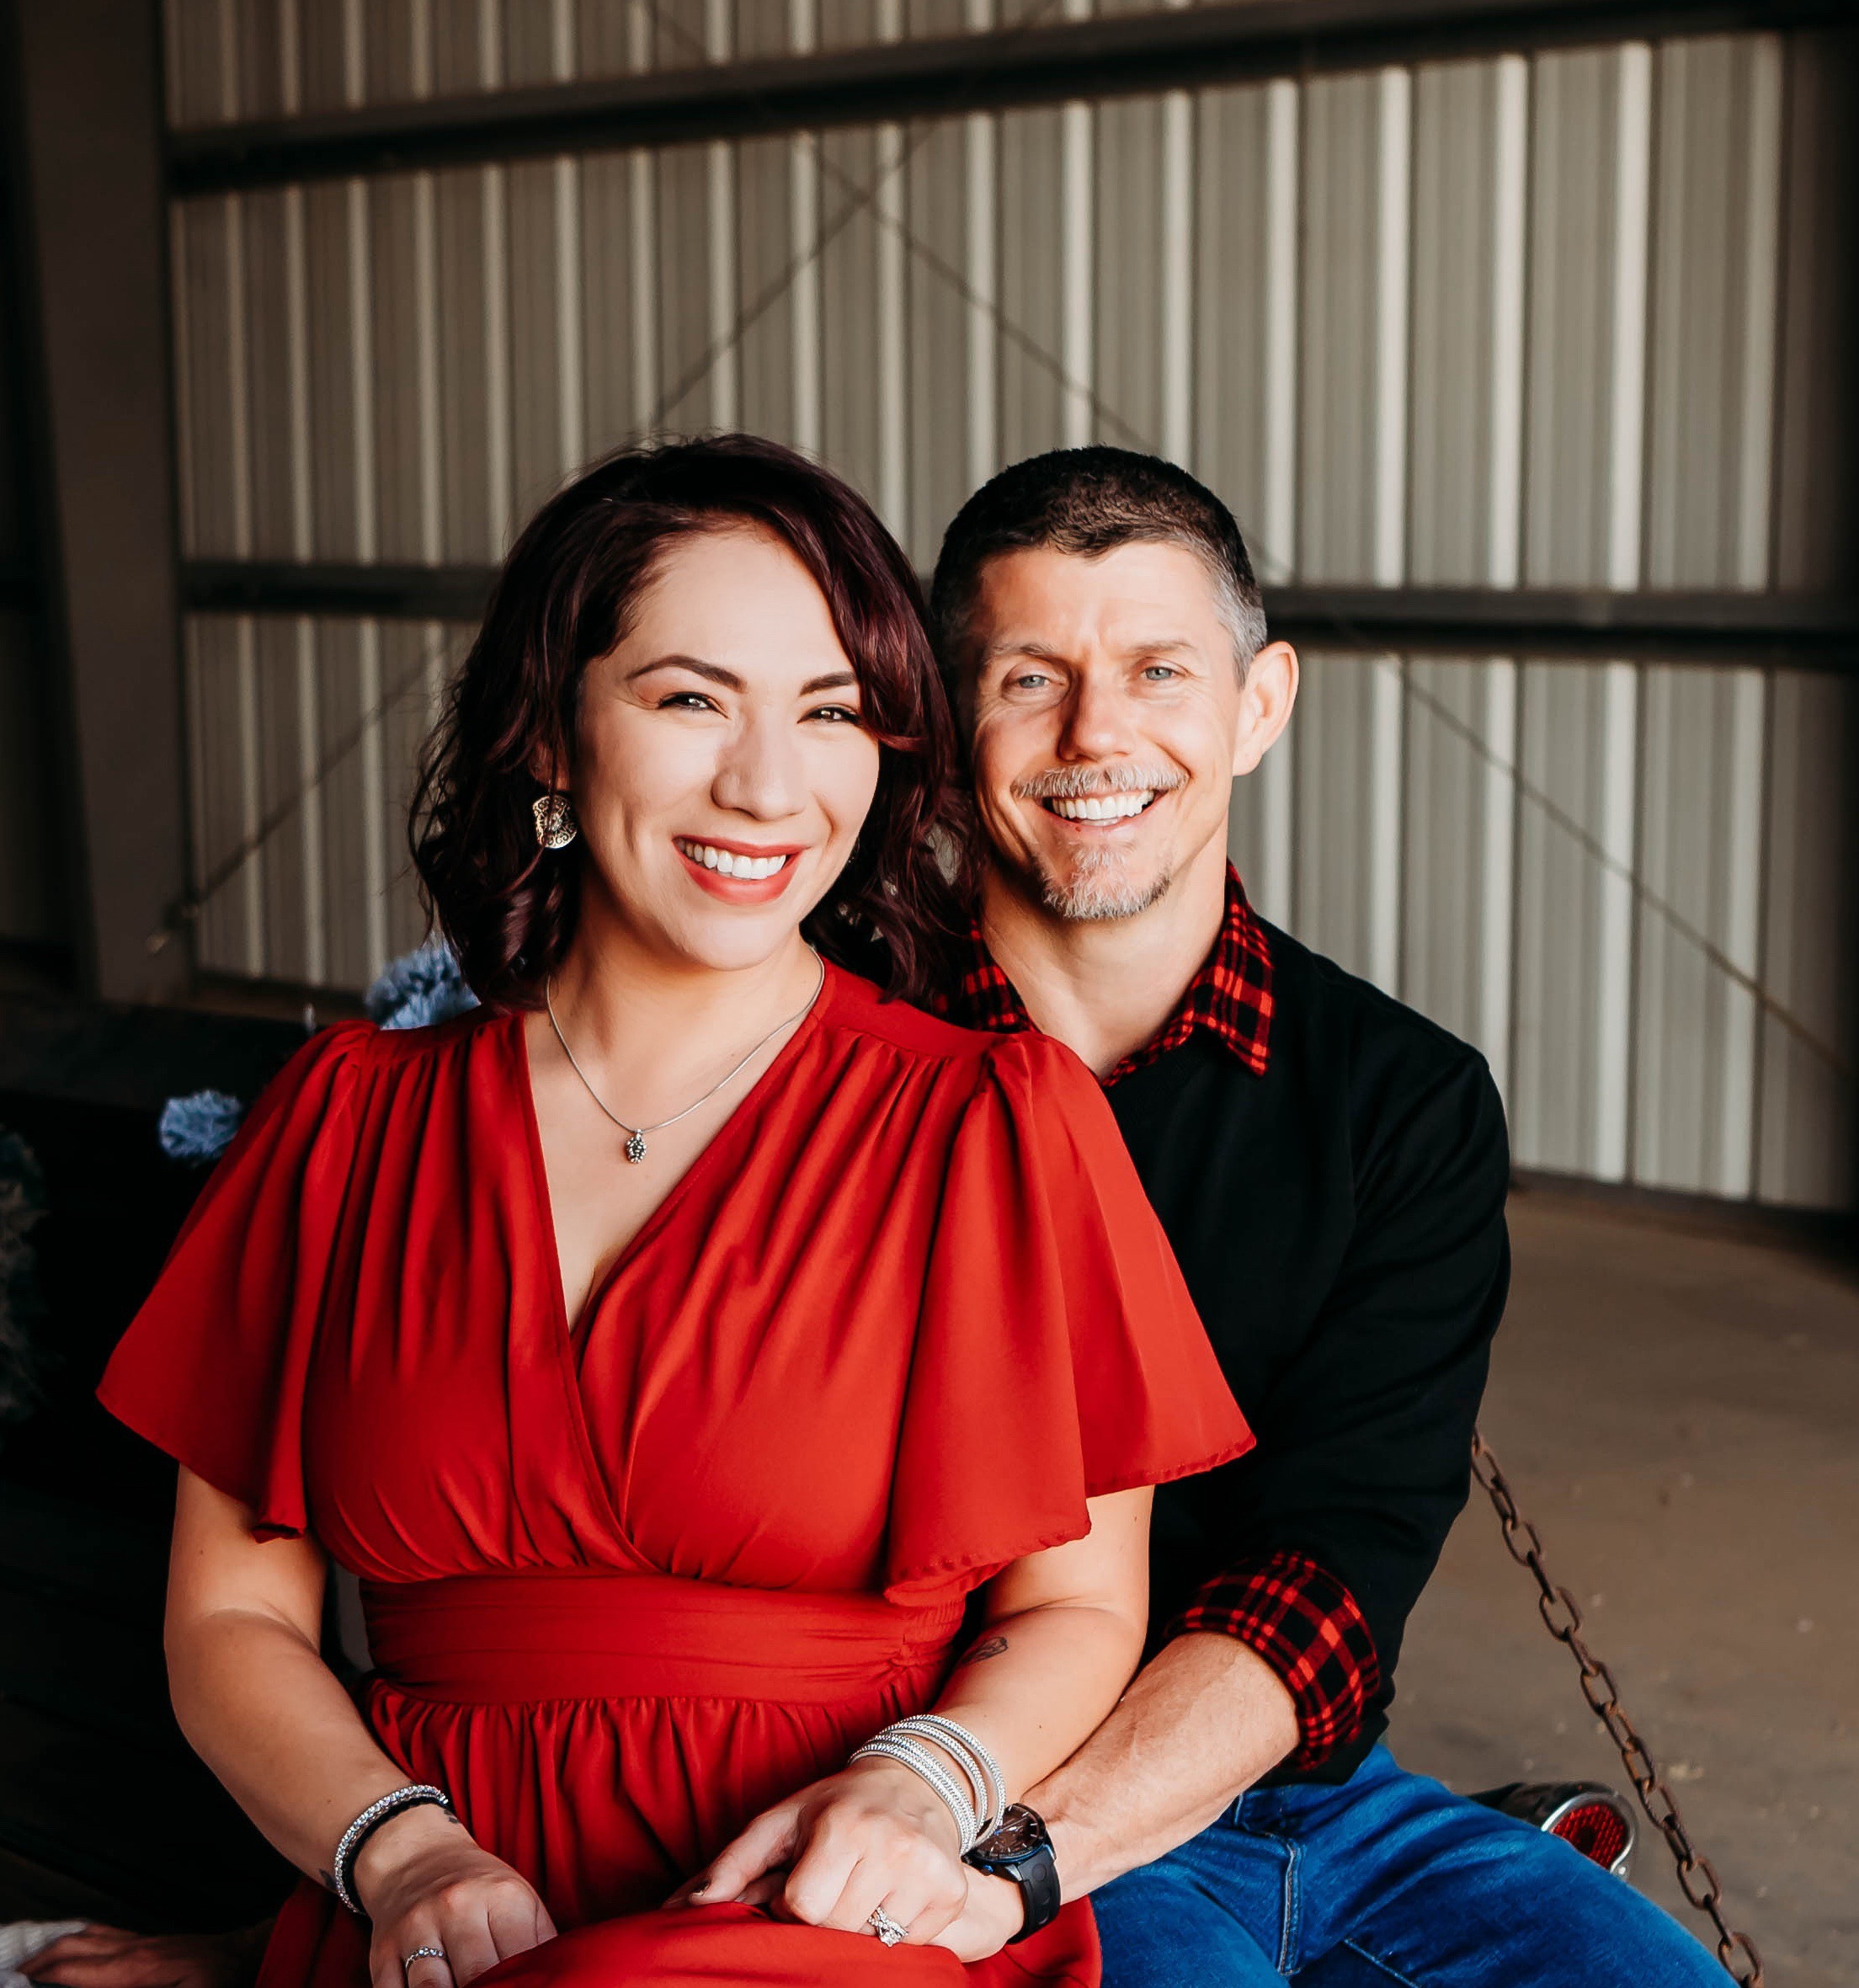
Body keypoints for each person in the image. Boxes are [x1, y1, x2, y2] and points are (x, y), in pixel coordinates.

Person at [95, 437, 1251, 1988]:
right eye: (692, 699)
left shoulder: (993, 1123)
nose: (769, 785)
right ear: (550, 732)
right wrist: (398, 1848)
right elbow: (229, 1617)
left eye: (830, 712)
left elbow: (1082, 1603)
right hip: (433, 1916)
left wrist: (927, 1781)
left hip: (821, 1900)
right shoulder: (346, 1123)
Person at [919, 447, 1727, 1985]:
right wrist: (990, 1849)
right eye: (1031, 678)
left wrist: (1052, 1844)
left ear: (1259, 702)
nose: (1098, 735)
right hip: (955, 1787)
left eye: (1160, 669)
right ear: (952, 728)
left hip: (1309, 1795)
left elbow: (1334, 1564)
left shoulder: (1402, 1100)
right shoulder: (853, 1064)